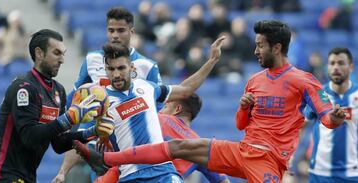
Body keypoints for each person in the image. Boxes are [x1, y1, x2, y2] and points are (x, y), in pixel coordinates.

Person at [73, 20, 347, 183]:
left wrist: (334, 117)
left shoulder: (304, 80)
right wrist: (243, 107)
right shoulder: (255, 80)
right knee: (177, 146)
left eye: (260, 45)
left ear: (277, 47)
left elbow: (326, 118)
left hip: (269, 160)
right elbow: (241, 125)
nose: (255, 50)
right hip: (242, 150)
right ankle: (105, 158)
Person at [74, 36, 225, 182]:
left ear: (131, 67)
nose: (116, 74)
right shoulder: (101, 99)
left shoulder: (146, 87)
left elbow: (185, 90)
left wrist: (212, 61)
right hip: (129, 175)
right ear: (105, 70)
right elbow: (91, 128)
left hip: (162, 171)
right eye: (111, 69)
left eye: (121, 68)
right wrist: (104, 137)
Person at [0, 29, 113, 182]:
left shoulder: (58, 91)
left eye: (63, 54)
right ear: (39, 53)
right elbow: (30, 137)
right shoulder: (24, 88)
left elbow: (58, 143)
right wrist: (68, 118)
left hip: (28, 177)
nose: (62, 60)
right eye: (56, 53)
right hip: (4, 176)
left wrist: (92, 132)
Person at [53, 7, 163, 182]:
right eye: (111, 30)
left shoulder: (146, 65)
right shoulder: (92, 60)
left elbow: (157, 108)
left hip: (128, 133)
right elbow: (76, 94)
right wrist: (58, 115)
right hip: (96, 128)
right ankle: (62, 173)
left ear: (131, 31)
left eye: (121, 30)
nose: (115, 35)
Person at [70, 94, 231, 183]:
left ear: (177, 109)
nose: (161, 109)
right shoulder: (199, 145)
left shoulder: (153, 119)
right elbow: (222, 181)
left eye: (166, 106)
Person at [305, 47, 358, 183]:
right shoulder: (318, 93)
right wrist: (289, 155)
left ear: (351, 67)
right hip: (320, 173)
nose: (335, 67)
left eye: (340, 63)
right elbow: (300, 125)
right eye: (332, 63)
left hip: (353, 174)